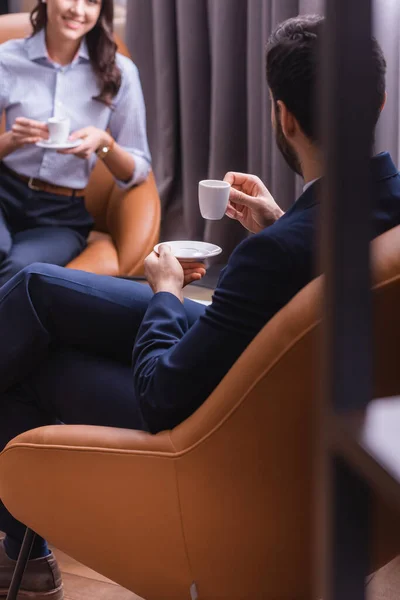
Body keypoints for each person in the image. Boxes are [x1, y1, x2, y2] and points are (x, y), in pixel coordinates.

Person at [0, 13, 399, 600]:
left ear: (282, 116)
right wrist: (283, 223)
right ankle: (28, 561)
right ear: (381, 101)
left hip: (228, 422)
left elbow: (161, 393)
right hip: (278, 374)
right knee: (37, 287)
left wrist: (166, 289)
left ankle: (28, 559)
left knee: (36, 364)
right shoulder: (379, 208)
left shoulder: (272, 257)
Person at [0, 0, 151, 286]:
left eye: (92, 2)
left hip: (61, 214)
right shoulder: (6, 59)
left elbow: (138, 169)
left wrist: (103, 143)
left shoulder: (121, 72)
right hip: (4, 192)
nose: (78, 10)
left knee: (20, 269)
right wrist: (11, 140)